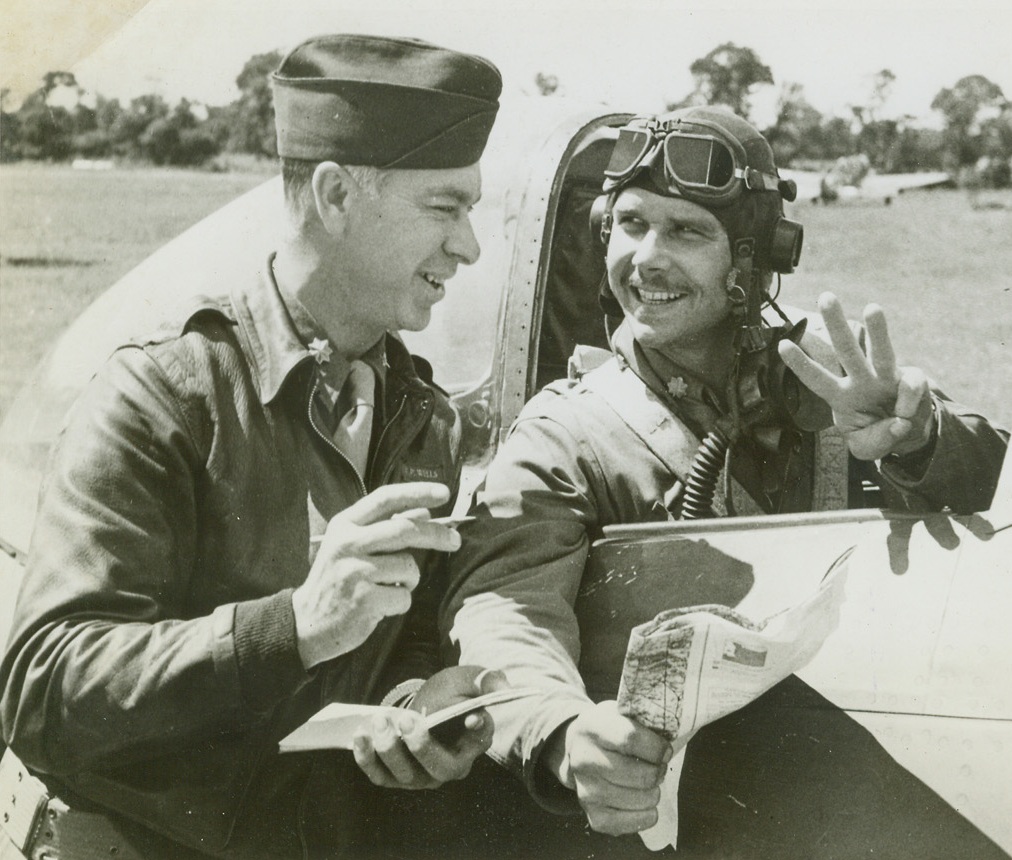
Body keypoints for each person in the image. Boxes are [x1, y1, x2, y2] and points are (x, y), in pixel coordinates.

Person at [441, 106, 1009, 857]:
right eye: (631, 223)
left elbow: (992, 504)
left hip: (853, 798)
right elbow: (506, 610)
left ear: (753, 259)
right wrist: (560, 729)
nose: (645, 258)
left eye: (686, 232)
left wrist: (917, 442)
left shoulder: (833, 379)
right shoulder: (567, 432)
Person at [0, 34, 505, 860]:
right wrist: (297, 625)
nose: (469, 245)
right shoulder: (162, 393)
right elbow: (45, 690)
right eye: (444, 208)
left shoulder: (424, 416)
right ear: (337, 195)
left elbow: (402, 632)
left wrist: (416, 703)